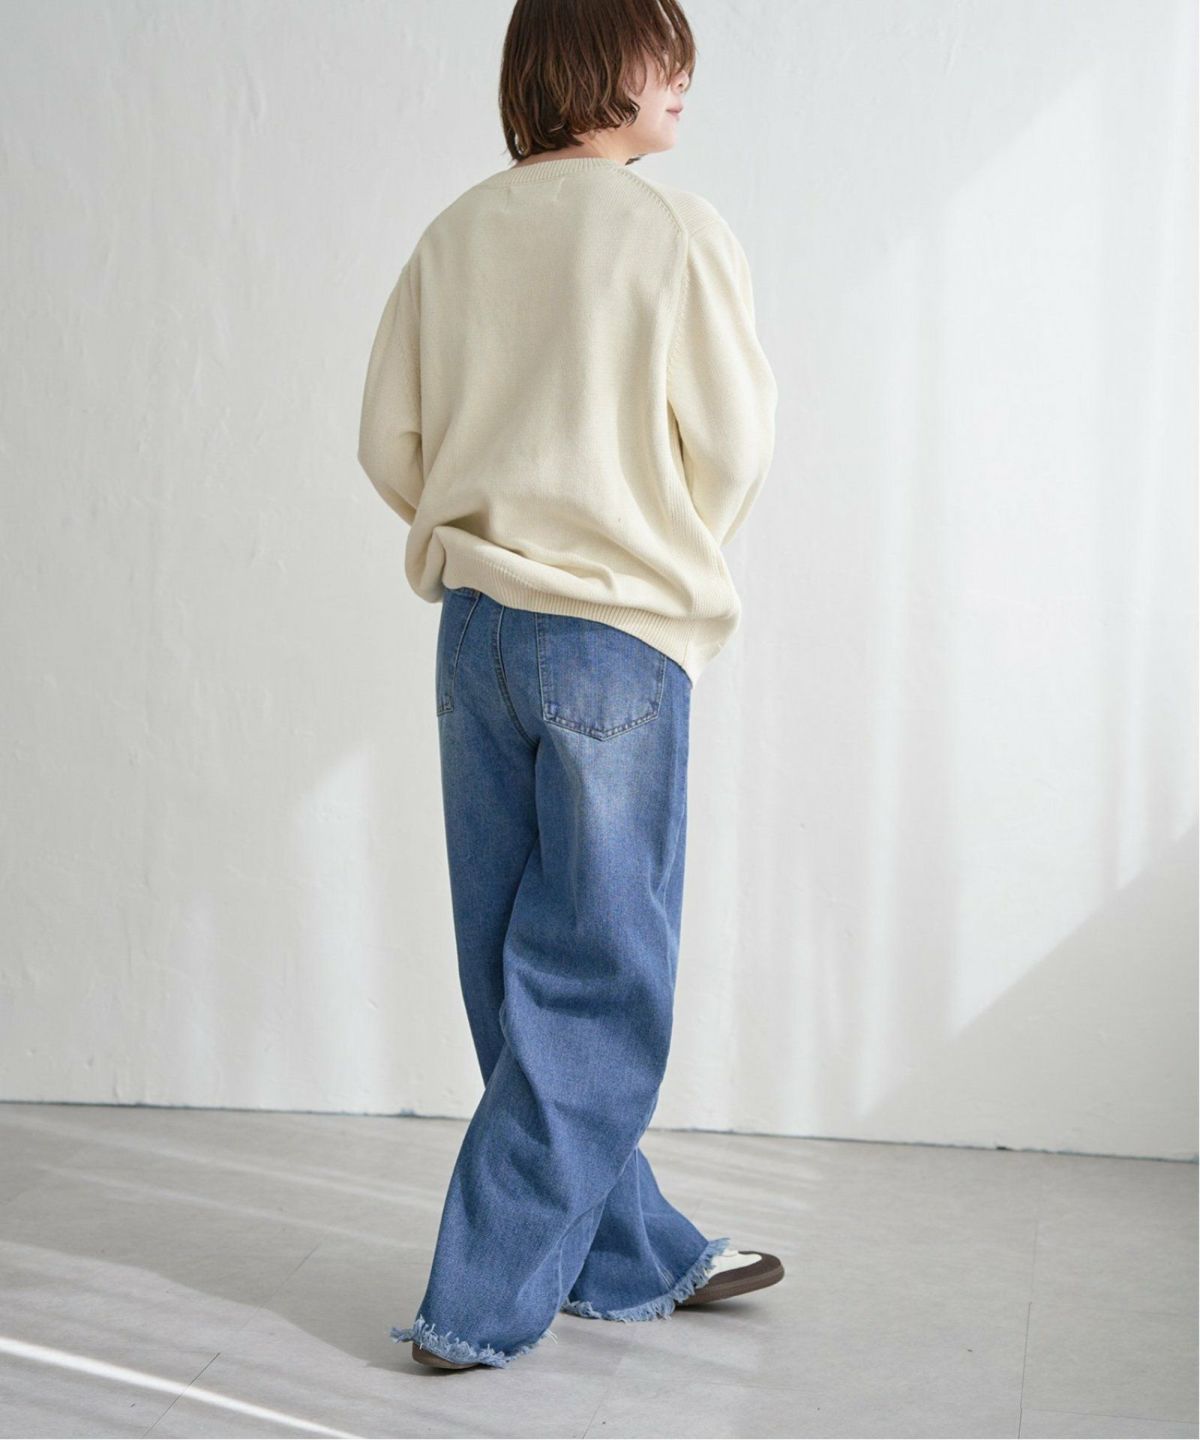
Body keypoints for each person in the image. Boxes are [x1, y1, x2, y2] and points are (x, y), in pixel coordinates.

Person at [356, 0, 782, 1371]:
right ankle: (474, 1307)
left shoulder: (453, 236)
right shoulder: (672, 232)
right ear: (599, 65)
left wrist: (488, 515)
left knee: (510, 967)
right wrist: (654, 534)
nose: (684, 77)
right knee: (597, 978)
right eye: (663, 53)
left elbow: (389, 443)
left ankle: (633, 1250)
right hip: (610, 633)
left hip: (476, 630)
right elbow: (734, 444)